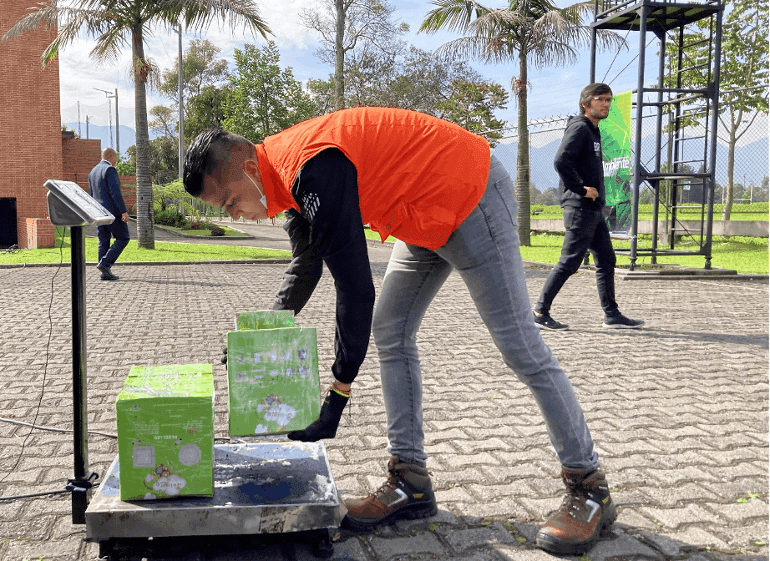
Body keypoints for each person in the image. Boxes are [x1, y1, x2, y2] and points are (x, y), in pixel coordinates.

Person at [183, 107, 616, 554]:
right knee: (391, 331)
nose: (236, 214)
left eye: (230, 202)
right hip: (422, 215)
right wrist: (260, 334)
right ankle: (410, 480)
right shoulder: (282, 179)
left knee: (519, 344)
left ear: (248, 169)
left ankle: (589, 487)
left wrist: (338, 392)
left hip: (469, 194)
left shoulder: (311, 167)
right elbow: (305, 264)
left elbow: (354, 287)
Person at [533, 83, 644, 331]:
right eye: (601, 99)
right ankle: (540, 312)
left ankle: (612, 315)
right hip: (580, 207)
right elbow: (561, 160)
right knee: (569, 262)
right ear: (586, 104)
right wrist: (581, 189)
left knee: (606, 259)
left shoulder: (594, 131)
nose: (606, 104)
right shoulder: (580, 128)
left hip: (593, 209)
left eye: (609, 100)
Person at [88, 147, 129, 281]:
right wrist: (123, 211)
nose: (116, 161)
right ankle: (105, 263)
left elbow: (91, 195)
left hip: (99, 213)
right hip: (112, 213)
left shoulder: (92, 172)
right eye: (115, 157)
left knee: (103, 240)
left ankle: (104, 272)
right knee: (123, 238)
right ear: (110, 156)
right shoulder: (110, 169)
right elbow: (115, 192)